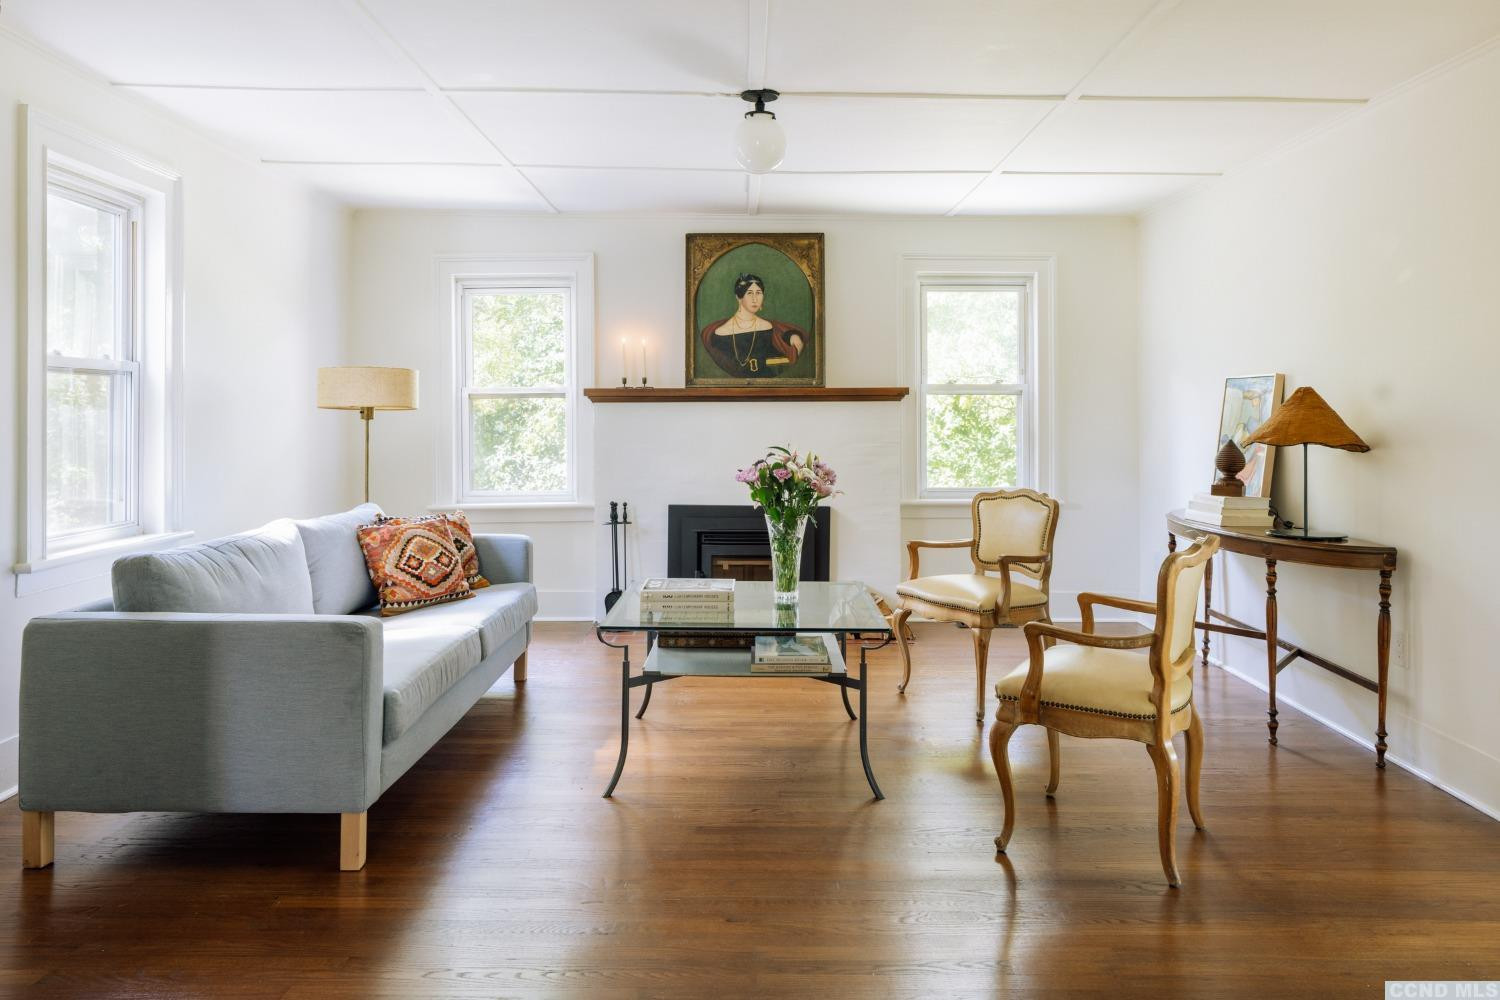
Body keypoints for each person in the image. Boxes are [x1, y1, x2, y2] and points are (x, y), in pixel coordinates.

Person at [700, 273, 809, 378]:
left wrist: (793, 336)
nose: (755, 299)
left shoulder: (768, 327)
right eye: (750, 293)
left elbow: (783, 336)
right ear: (739, 297)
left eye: (759, 293)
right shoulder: (720, 333)